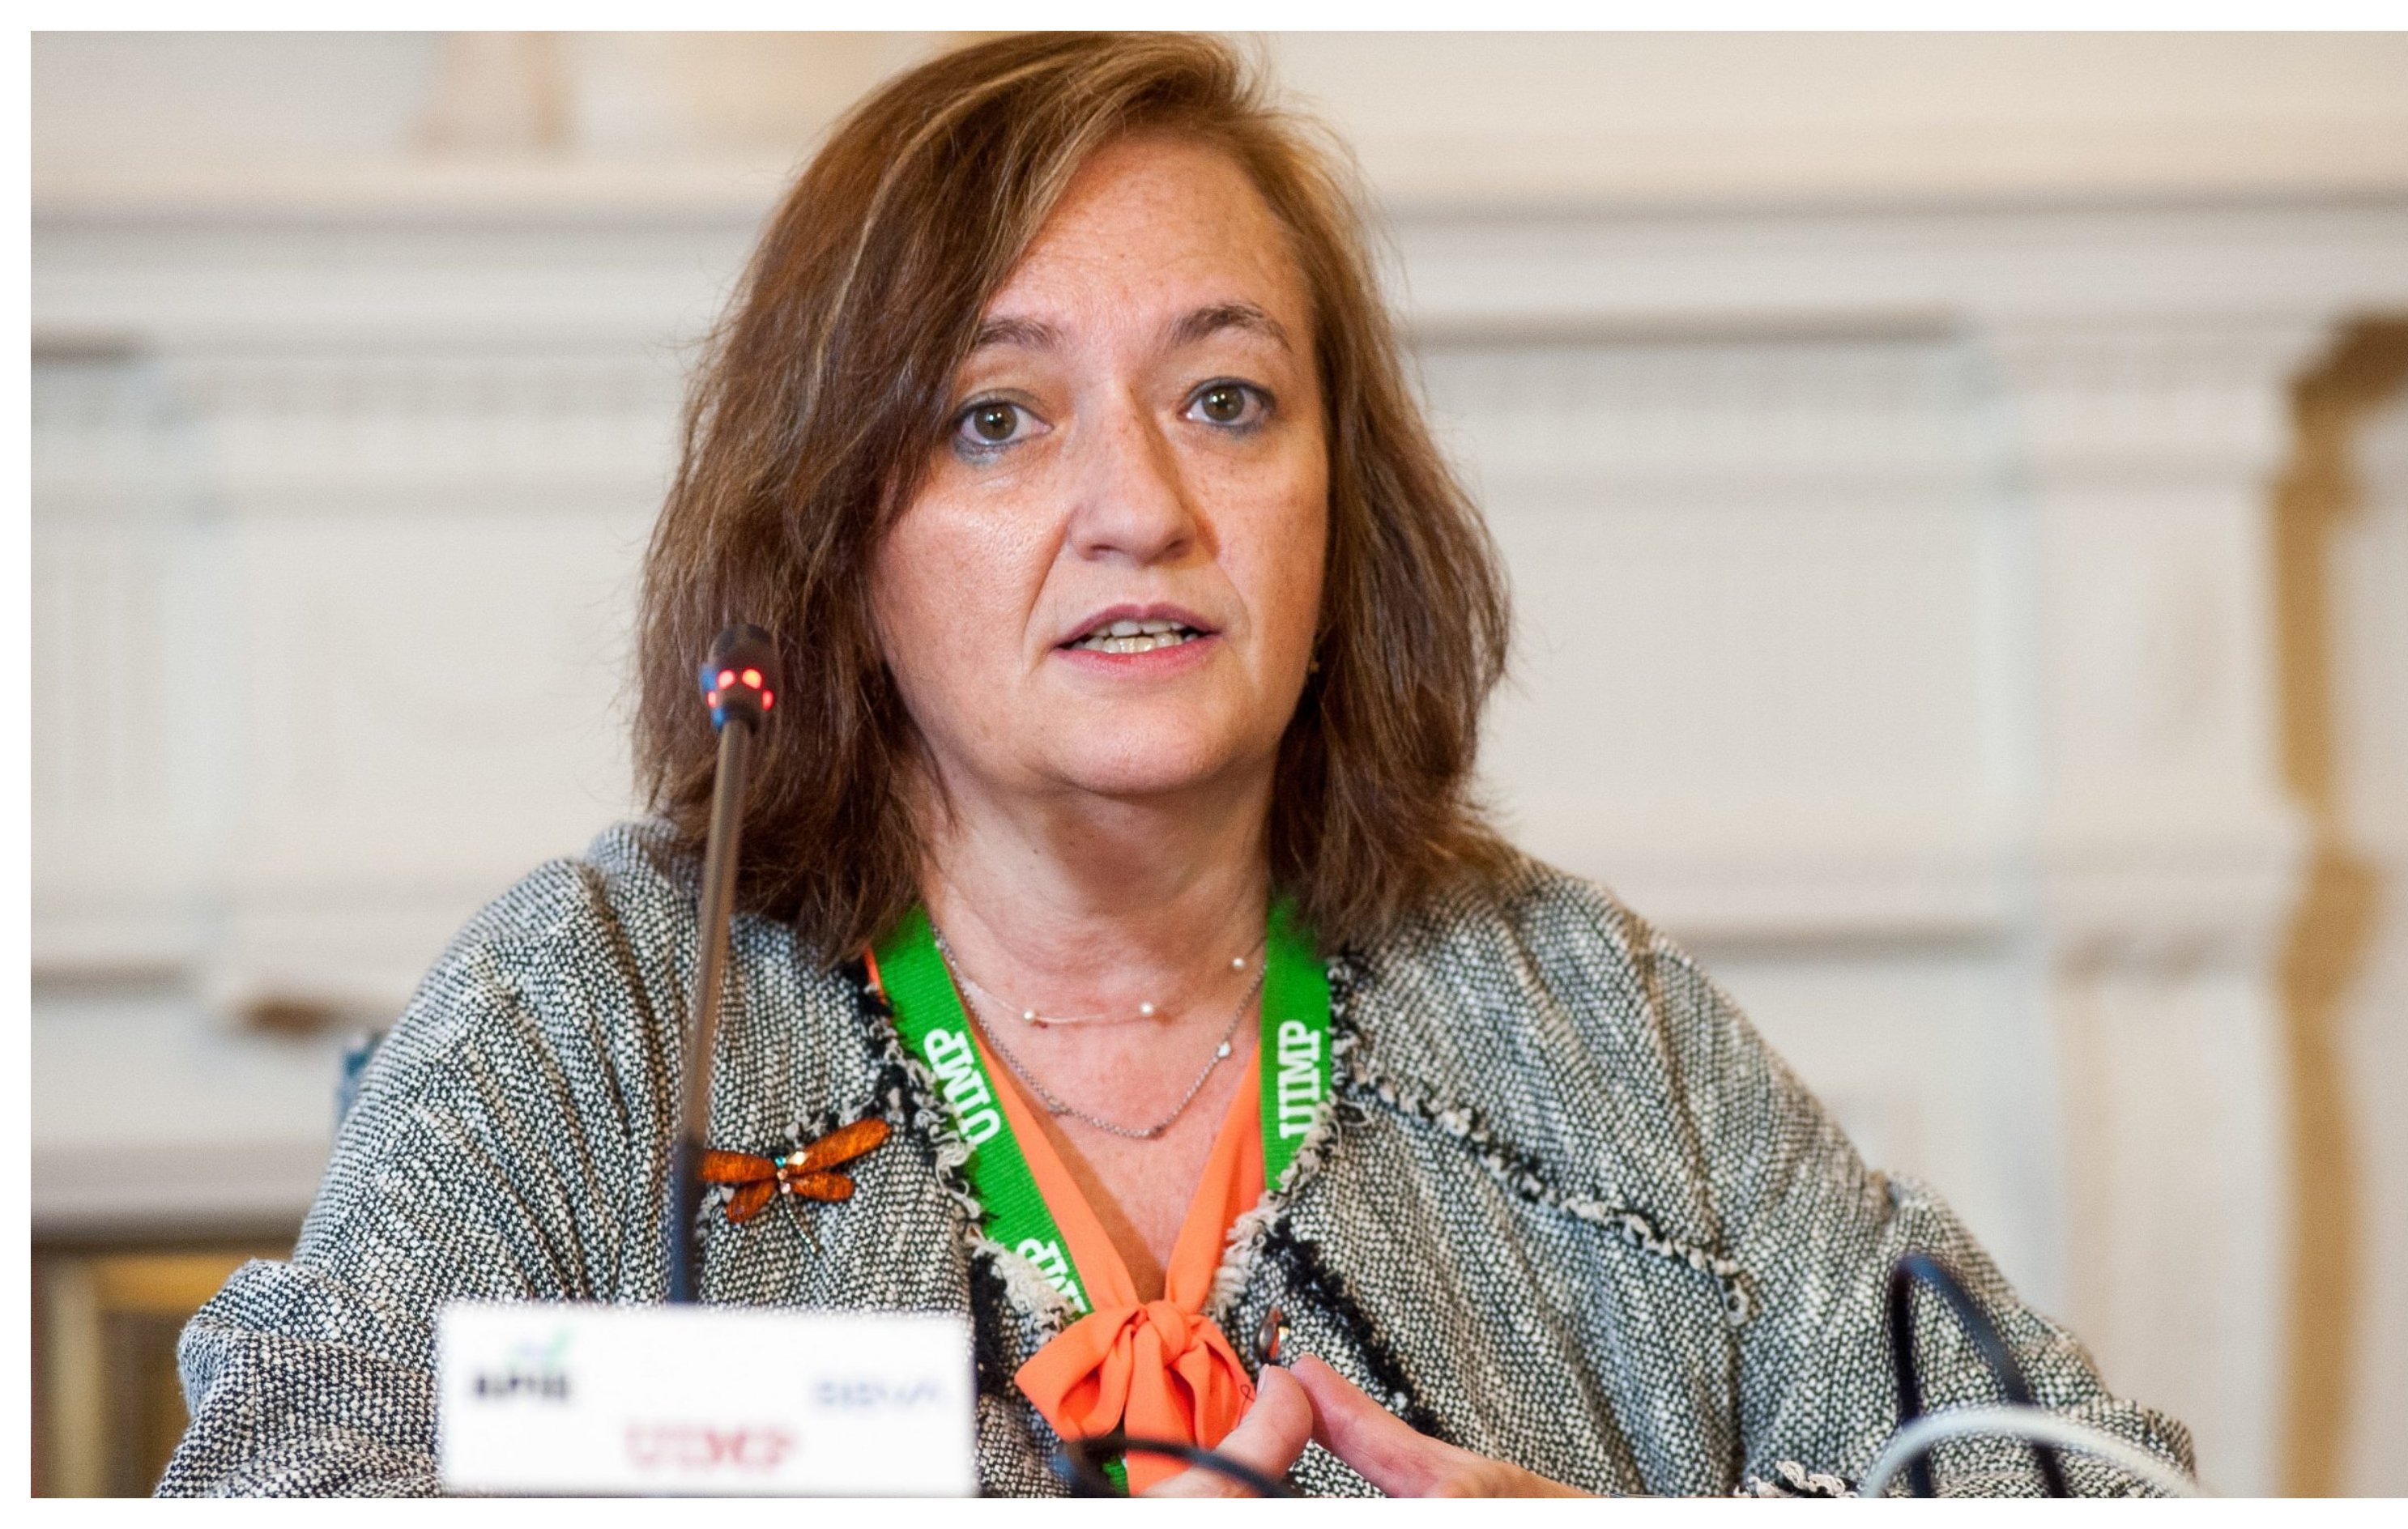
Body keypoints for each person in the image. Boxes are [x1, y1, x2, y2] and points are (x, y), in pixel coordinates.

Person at [160, 32, 2192, 1497]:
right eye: (996, 417)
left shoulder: (1586, 1020)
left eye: (1227, 399)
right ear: (833, 526)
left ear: (1339, 499)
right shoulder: (608, 1004)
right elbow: (277, 1472)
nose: (1140, 504)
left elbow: (2076, 1472)